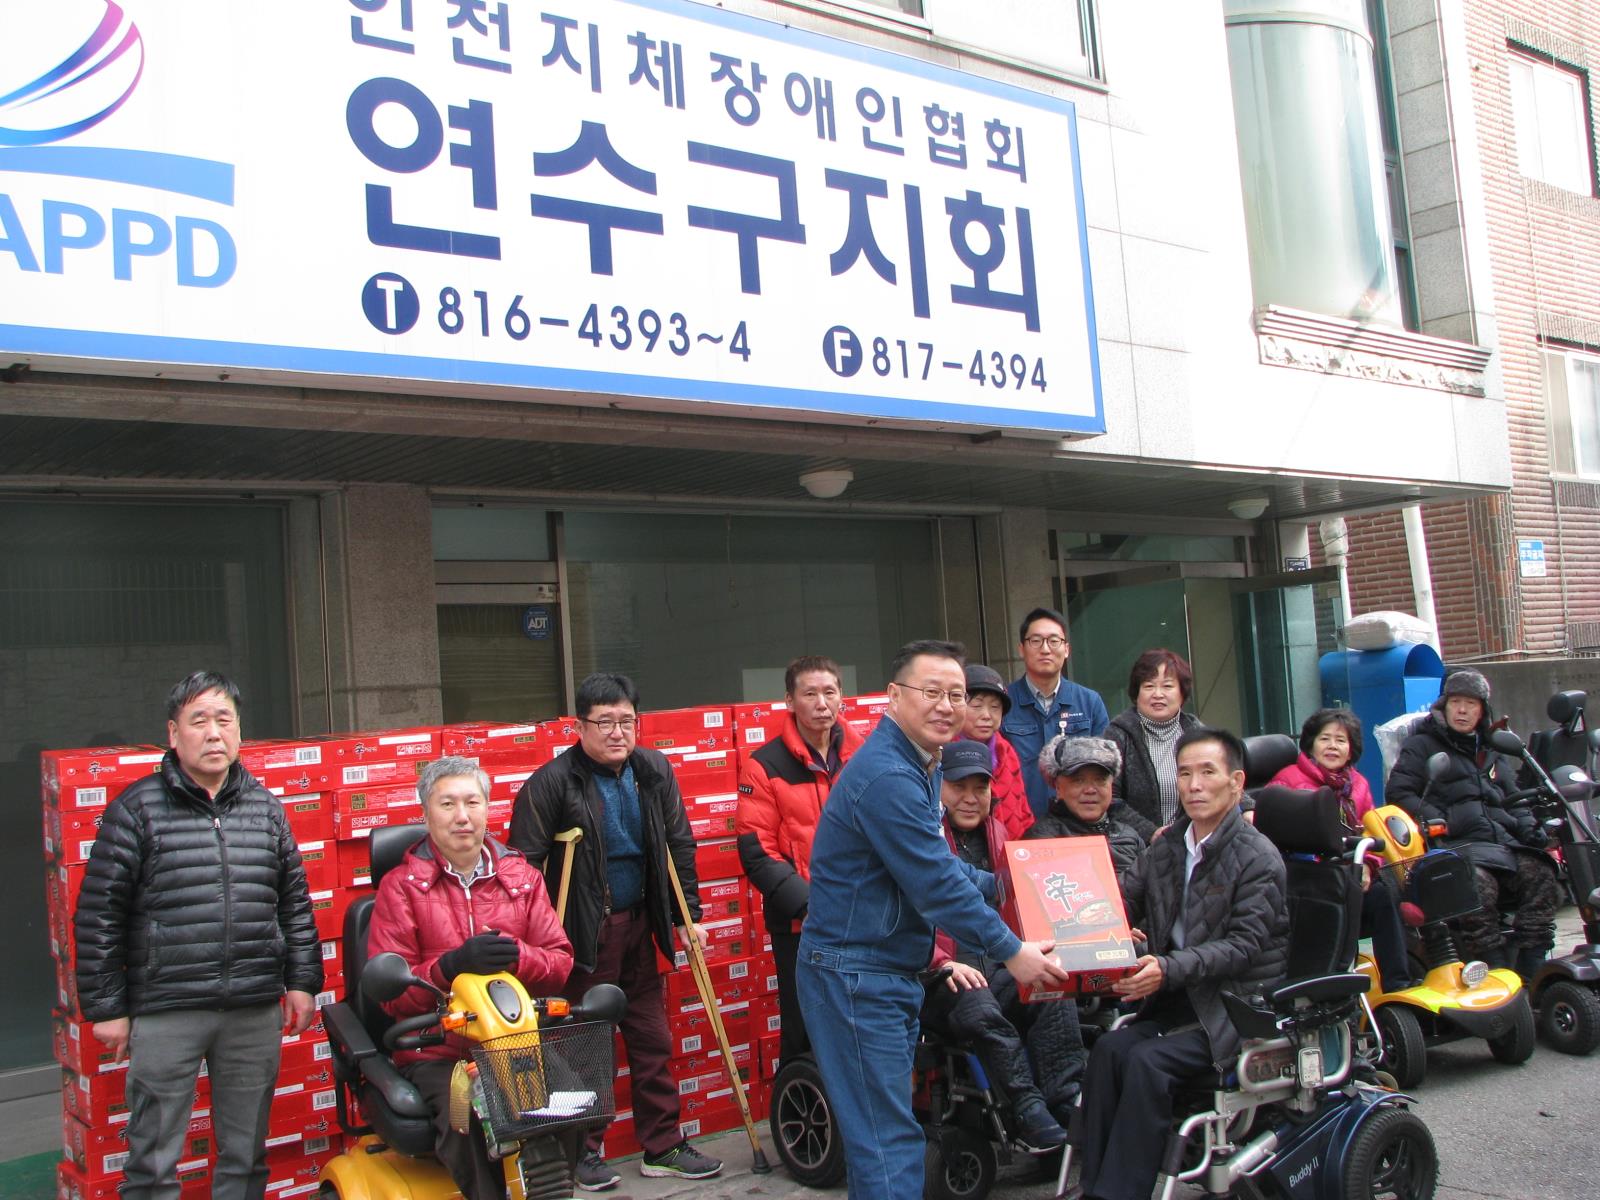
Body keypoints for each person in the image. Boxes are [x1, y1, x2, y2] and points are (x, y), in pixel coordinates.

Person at [797, 639, 1071, 1200]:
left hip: (887, 972)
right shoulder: (889, 776)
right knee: (886, 1141)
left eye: (956, 694)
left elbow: (941, 864)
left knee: (887, 1134)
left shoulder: (923, 762)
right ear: (893, 697)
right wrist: (1012, 950)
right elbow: (935, 884)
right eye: (932, 692)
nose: (948, 705)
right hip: (855, 976)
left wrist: (1015, 886)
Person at [73, 671, 323, 1200]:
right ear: (173, 733)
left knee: (244, 1155)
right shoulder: (136, 809)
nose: (213, 733)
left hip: (253, 1007)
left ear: (239, 732)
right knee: (153, 1158)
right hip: (168, 1007)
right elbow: (98, 915)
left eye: (224, 720)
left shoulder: (266, 810)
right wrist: (106, 1008)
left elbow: (295, 906)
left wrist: (302, 981)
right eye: (199, 721)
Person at [510, 672, 723, 1191]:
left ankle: (663, 1144)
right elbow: (521, 871)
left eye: (626, 721)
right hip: (582, 935)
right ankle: (579, 1150)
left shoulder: (653, 770)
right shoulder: (552, 783)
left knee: (651, 1037)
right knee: (583, 1043)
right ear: (579, 725)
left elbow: (679, 843)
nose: (617, 732)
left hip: (640, 925)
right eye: (604, 722)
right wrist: (543, 940)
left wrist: (686, 915)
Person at [1071, 727, 1289, 1200]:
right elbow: (1120, 898)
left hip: (1232, 1010)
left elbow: (1243, 946)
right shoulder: (1168, 847)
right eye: (1184, 773)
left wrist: (1166, 969)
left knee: (1147, 1062)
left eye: (1206, 773)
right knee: (1108, 1052)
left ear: (1236, 783)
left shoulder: (1259, 857)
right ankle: (1092, 1185)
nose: (1193, 785)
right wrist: (1097, 932)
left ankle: (1120, 1192)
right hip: (1177, 1003)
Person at [367, 757, 574, 1200]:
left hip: (515, 1042)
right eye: (447, 804)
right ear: (426, 814)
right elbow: (392, 999)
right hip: (440, 1051)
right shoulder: (400, 887)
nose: (462, 816)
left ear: (487, 809)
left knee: (575, 1102)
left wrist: (517, 956)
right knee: (471, 1123)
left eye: (472, 802)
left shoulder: (522, 878)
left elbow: (559, 964)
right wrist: (448, 968)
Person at [923, 740, 1080, 1146]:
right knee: (980, 1006)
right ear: (938, 787)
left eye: (981, 787)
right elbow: (916, 909)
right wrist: (940, 962)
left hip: (998, 964)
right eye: (959, 787)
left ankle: (1068, 1098)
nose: (972, 799)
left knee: (1052, 982)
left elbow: (1026, 901)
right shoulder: (922, 839)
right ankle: (1028, 1109)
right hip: (940, 975)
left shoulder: (1001, 833)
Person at [1386, 670, 1561, 981]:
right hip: (1456, 846)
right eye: (1456, 702)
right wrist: (1436, 817)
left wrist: (1532, 832)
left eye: (1470, 703)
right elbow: (1399, 792)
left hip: (1499, 843)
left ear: (1483, 710)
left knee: (1543, 872)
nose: (1463, 710)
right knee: (1477, 885)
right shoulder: (1422, 745)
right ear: (1443, 706)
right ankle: (1493, 969)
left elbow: (1515, 799)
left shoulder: (1491, 748)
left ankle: (1533, 972)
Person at [736, 654, 864, 1064]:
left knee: (863, 1025)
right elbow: (757, 850)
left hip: (865, 916)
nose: (822, 703)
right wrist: (811, 905)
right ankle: (801, 1119)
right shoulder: (764, 765)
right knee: (806, 1027)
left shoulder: (865, 754)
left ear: (842, 697)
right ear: (789, 701)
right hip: (800, 924)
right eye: (810, 694)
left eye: (830, 692)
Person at [1269, 709, 1412, 991]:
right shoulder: (1288, 780)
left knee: (1384, 896)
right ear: (1311, 743)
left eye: (1340, 740)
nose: (1332, 746)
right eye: (1325, 739)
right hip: (1307, 877)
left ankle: (1398, 986)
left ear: (1351, 750)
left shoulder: (1357, 784)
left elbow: (1370, 830)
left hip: (1349, 872)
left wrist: (1369, 866)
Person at [1004, 607, 1109, 819]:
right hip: (1021, 827)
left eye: (1054, 641)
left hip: (1078, 826)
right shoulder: (1004, 702)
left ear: (1067, 649)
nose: (1045, 649)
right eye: (1036, 641)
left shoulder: (1089, 702)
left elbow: (1107, 770)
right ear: (1021, 649)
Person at [1103, 648, 1202, 842]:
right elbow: (1108, 798)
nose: (1158, 694)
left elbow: (1222, 778)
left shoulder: (1196, 731)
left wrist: (1246, 807)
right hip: (1136, 849)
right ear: (1136, 693)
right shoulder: (1117, 734)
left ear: (1182, 692)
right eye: (1149, 686)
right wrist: (1151, 833)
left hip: (1193, 844)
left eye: (1167, 686)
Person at [1028, 735, 1145, 887]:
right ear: (1058, 787)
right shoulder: (1039, 842)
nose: (1090, 790)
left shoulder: (1130, 837)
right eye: (1078, 781)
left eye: (1099, 780)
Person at [960, 664, 1034, 839]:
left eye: (995, 707)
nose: (987, 715)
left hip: (1013, 855)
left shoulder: (1006, 751)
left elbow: (1023, 812)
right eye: (977, 706)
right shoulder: (942, 753)